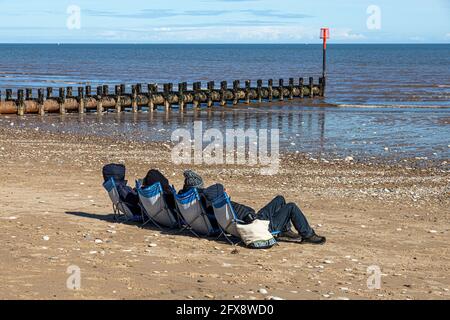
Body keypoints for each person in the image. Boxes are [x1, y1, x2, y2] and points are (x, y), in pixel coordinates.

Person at [181, 170, 326, 245]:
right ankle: (307, 235)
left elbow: (206, 192)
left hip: (250, 219)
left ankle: (284, 230)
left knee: (280, 199)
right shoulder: (209, 197)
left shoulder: (199, 202)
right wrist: (222, 189)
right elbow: (212, 190)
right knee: (291, 207)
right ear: (199, 187)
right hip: (255, 225)